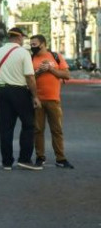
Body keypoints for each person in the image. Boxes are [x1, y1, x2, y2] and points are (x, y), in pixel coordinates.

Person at [0, 27, 42, 170]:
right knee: (29, 124)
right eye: (23, 38)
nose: (23, 40)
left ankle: (7, 162)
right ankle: (24, 159)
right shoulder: (23, 53)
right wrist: (35, 96)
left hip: (3, 91)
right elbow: (30, 77)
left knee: (5, 128)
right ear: (19, 38)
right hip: (20, 92)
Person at [30, 34, 73, 168]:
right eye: (31, 45)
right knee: (38, 130)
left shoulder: (55, 57)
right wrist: (38, 72)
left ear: (42, 44)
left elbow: (66, 75)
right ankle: (40, 157)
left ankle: (60, 159)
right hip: (37, 100)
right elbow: (27, 78)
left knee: (57, 130)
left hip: (54, 100)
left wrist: (50, 69)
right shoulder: (30, 58)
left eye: (34, 44)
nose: (32, 47)